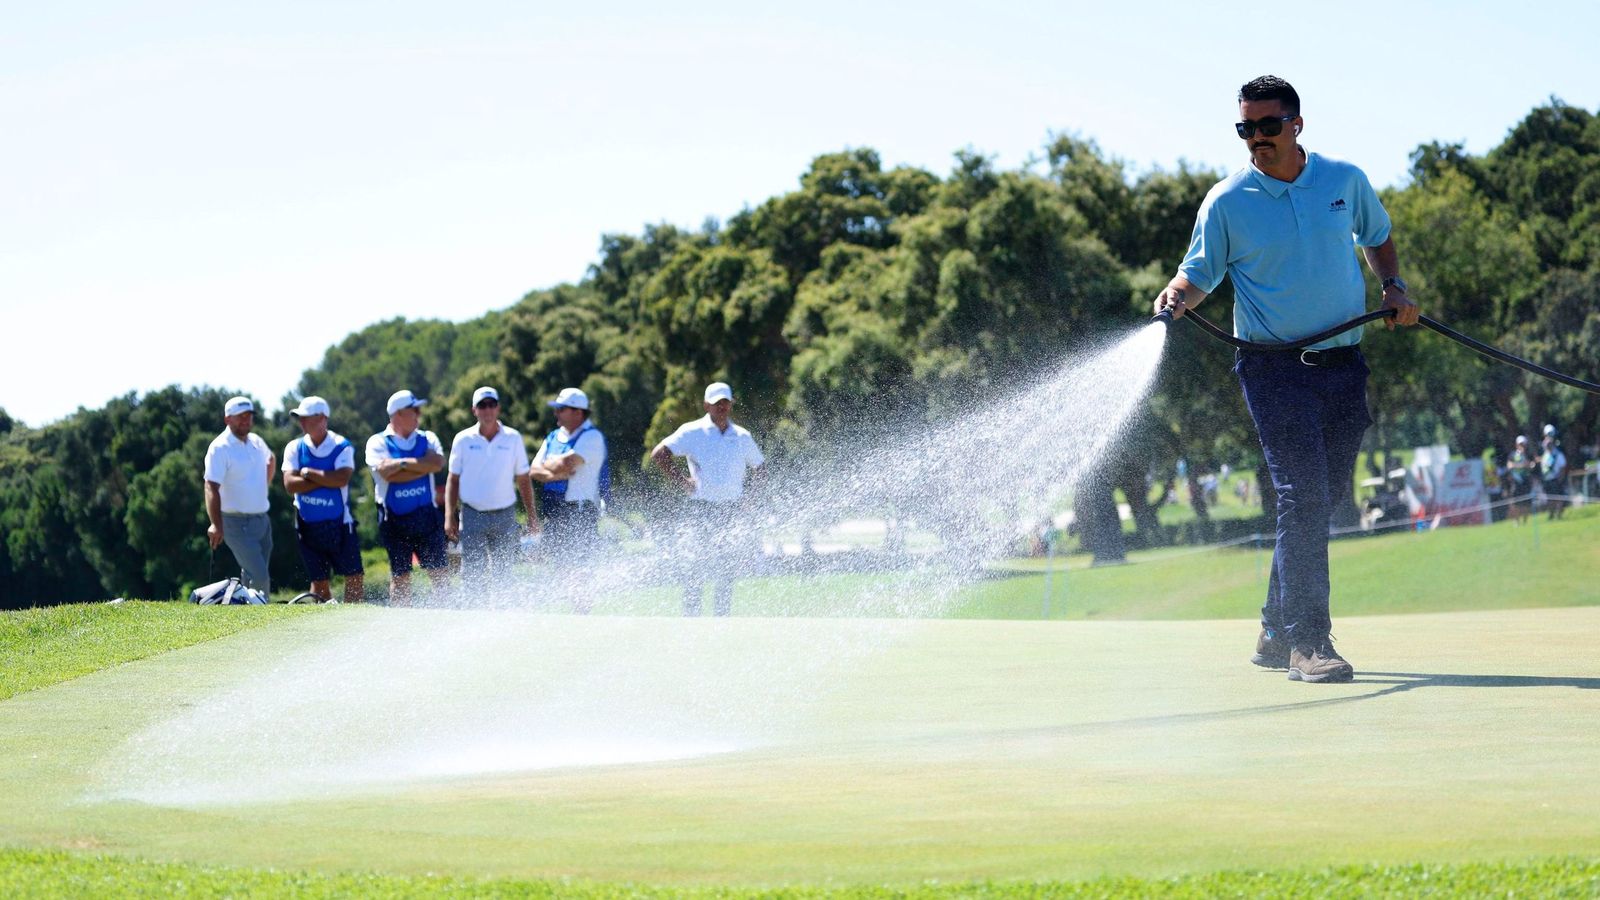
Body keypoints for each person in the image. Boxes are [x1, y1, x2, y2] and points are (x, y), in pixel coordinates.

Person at [1153, 75, 1419, 684]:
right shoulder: (1227, 201)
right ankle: (1308, 643)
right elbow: (1198, 273)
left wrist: (1393, 288)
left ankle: (1275, 630)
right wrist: (1177, 294)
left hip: (1344, 365)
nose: (1257, 140)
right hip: (1273, 371)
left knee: (1320, 500)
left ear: (1296, 124)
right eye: (1245, 129)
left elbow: (1377, 237)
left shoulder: (1343, 181)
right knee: (1300, 498)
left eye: (1267, 127)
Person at [650, 382, 766, 616]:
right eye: (716, 403)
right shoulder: (691, 431)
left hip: (732, 509)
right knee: (697, 566)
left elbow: (760, 469)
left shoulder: (742, 436)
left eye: (725, 402)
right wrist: (682, 482)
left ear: (731, 404)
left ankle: (721, 618)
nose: (721, 407)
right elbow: (659, 454)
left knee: (726, 568)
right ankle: (691, 617)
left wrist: (750, 501)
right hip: (702, 509)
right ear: (706, 405)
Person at [445, 386, 537, 595]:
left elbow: (523, 478)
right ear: (474, 410)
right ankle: (474, 621)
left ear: (498, 408)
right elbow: (453, 478)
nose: (487, 410)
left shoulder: (513, 438)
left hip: (505, 515)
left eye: (491, 405)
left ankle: (502, 621)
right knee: (472, 574)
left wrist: (532, 515)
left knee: (504, 574)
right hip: (472, 514)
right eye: (482, 405)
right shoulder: (463, 439)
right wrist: (449, 515)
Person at [367, 389, 450, 606]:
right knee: (400, 577)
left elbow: (437, 463)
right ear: (397, 414)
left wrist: (401, 465)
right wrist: (418, 464)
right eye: (414, 410)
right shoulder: (377, 442)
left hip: (427, 517)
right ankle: (402, 625)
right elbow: (385, 472)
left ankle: (446, 620)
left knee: (440, 575)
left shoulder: (428, 437)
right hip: (393, 520)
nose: (419, 414)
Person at [281, 397, 364, 603]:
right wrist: (326, 478)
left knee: (354, 577)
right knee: (319, 583)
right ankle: (326, 626)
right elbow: (291, 485)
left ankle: (352, 621)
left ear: (323, 418)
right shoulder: (294, 447)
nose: (302, 423)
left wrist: (308, 473)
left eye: (306, 418)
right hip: (307, 525)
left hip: (341, 524)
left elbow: (342, 478)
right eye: (300, 418)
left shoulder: (342, 445)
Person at [203, 396, 277, 594]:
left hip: (262, 521)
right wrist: (216, 523)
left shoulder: (257, 442)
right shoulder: (219, 447)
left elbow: (271, 460)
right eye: (240, 416)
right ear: (228, 419)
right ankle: (263, 620)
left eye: (249, 416)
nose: (246, 420)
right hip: (235, 523)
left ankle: (246, 614)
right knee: (260, 576)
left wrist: (263, 487)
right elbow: (211, 486)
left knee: (251, 575)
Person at [530, 387, 609, 565]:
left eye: (561, 409)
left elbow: (565, 463)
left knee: (579, 570)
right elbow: (534, 470)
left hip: (579, 512)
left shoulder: (592, 436)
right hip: (554, 512)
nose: (556, 412)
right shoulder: (553, 436)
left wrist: (548, 464)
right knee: (560, 569)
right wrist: (554, 475)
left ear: (578, 412)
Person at [1506, 435, 1535, 523]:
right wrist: (1522, 465)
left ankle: (1525, 520)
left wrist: (1524, 463)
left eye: (1523, 444)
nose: (1522, 446)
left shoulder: (1528, 455)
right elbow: (1509, 466)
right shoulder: (1512, 455)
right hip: (1516, 481)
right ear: (1516, 444)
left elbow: (1531, 466)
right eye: (1520, 444)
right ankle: (1516, 520)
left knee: (1526, 503)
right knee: (1515, 502)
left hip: (1526, 481)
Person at [1541, 426, 1568, 520]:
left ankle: (1558, 516)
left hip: (1556, 479)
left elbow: (1563, 467)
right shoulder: (1544, 454)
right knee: (1550, 499)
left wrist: (1560, 479)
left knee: (1558, 498)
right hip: (1547, 479)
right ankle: (1551, 515)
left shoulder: (1558, 453)